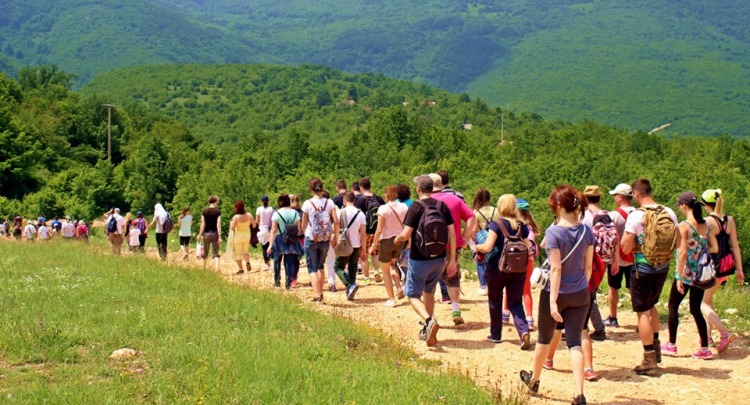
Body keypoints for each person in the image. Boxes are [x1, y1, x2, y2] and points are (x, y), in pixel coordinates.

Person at [519, 185, 594, 405]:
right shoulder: (586, 231)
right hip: (581, 292)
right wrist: (581, 286)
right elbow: (588, 267)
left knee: (544, 337)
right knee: (574, 341)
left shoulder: (555, 232)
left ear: (559, 205)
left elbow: (556, 268)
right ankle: (579, 393)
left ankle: (534, 380)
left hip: (556, 292)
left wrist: (553, 301)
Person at [621, 179, 680, 375]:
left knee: (642, 312)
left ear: (637, 194)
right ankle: (656, 349)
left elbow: (625, 247)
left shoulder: (636, 215)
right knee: (652, 305)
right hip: (662, 268)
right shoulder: (669, 212)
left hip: (642, 269)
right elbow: (678, 241)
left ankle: (649, 359)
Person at [394, 175, 457, 347]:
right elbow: (452, 234)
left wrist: (397, 239)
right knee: (429, 292)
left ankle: (429, 321)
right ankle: (426, 328)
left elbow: (406, 234)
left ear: (418, 190)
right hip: (439, 258)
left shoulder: (416, 207)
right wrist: (452, 259)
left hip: (419, 258)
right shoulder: (442, 206)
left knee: (412, 295)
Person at [661, 192, 717, 360]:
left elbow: (683, 253)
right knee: (695, 309)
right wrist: (699, 250)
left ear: (684, 206)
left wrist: (678, 276)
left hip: (686, 273)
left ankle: (671, 345)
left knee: (673, 306)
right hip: (701, 273)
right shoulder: (706, 225)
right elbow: (714, 248)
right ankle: (705, 348)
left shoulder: (684, 226)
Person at [475, 194, 533, 349]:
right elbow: (529, 247)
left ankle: (496, 335)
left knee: (495, 301)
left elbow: (487, 247)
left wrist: (477, 247)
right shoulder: (521, 226)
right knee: (515, 302)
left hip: (497, 269)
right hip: (518, 269)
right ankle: (523, 331)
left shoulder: (496, 225)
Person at [430, 173, 476, 325]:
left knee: (429, 279)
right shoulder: (455, 199)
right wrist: (466, 236)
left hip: (430, 246)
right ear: (442, 184)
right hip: (453, 244)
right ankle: (455, 309)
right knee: (452, 276)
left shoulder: (425, 201)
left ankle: (431, 317)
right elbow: (471, 216)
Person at [701, 189, 741, 353]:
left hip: (711, 267)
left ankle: (725, 333)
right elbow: (735, 246)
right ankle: (707, 337)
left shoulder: (707, 222)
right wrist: (739, 269)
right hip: (726, 266)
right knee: (708, 300)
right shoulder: (729, 220)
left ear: (705, 205)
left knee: (701, 304)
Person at [301, 178, 339, 303]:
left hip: (311, 238)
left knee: (312, 268)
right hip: (325, 238)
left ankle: (317, 295)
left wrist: (305, 231)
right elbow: (336, 221)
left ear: (311, 189)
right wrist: (335, 236)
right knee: (320, 266)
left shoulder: (307, 203)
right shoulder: (329, 202)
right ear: (322, 188)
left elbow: (304, 224)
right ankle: (321, 293)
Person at [370, 185, 408, 307]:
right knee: (393, 264)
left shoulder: (383, 208)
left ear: (386, 195)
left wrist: (374, 245)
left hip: (387, 240)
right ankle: (399, 287)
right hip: (400, 240)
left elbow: (379, 229)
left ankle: (391, 299)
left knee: (385, 270)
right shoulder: (404, 207)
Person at [603, 183, 635, 328]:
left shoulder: (613, 215)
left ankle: (613, 317)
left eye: (615, 195)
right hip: (635, 258)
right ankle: (641, 317)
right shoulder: (639, 213)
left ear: (621, 197)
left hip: (617, 259)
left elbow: (611, 238)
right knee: (633, 288)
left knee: (613, 287)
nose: (614, 198)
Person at [580, 185, 610, 341]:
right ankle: (594, 327)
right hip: (604, 259)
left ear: (585, 198)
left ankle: (594, 328)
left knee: (587, 293)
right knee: (591, 292)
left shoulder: (585, 216)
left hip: (589, 258)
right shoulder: (605, 214)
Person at [334, 192, 367, 299]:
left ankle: (350, 285)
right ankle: (350, 292)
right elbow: (363, 234)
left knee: (338, 267)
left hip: (344, 244)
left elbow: (335, 228)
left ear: (344, 200)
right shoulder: (361, 214)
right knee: (352, 268)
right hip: (356, 244)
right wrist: (364, 250)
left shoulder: (339, 212)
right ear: (354, 201)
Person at [267, 194, 304, 289]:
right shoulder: (295, 213)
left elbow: (273, 230)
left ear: (279, 202)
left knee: (277, 261)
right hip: (291, 239)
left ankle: (277, 282)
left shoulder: (277, 213)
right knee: (289, 262)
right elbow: (299, 229)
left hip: (279, 239)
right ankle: (288, 282)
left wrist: (270, 244)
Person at [356, 178, 385, 285]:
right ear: (370, 186)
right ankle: (377, 271)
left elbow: (358, 216)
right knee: (375, 253)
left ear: (361, 188)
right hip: (377, 230)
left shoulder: (361, 200)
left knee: (363, 254)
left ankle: (366, 277)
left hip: (365, 231)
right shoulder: (378, 198)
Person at [517, 198, 541, 329]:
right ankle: (530, 318)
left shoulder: (514, 226)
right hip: (529, 261)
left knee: (511, 288)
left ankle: (505, 314)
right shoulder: (531, 228)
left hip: (514, 260)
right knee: (526, 290)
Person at [471, 188, 499, 296]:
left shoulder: (476, 212)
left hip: (482, 239)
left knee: (480, 261)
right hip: (495, 238)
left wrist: (474, 240)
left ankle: (483, 286)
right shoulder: (496, 210)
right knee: (494, 261)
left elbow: (474, 229)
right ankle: (494, 284)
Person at [197, 195, 222, 272]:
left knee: (205, 251)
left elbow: (203, 224)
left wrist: (199, 234)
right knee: (215, 251)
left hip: (206, 233)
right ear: (215, 201)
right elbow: (218, 224)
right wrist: (220, 236)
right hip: (215, 233)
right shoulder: (218, 212)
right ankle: (217, 268)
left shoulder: (204, 211)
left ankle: (204, 268)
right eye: (217, 201)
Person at [230, 200, 255, 274]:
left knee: (237, 253)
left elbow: (232, 228)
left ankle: (241, 269)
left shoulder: (236, 217)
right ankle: (247, 262)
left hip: (238, 236)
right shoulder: (249, 215)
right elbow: (254, 225)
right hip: (247, 235)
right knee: (245, 251)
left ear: (236, 208)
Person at [256, 195, 274, 271]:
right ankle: (270, 260)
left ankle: (267, 263)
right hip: (270, 229)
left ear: (261, 201)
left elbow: (257, 220)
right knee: (270, 245)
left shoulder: (259, 209)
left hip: (262, 229)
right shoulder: (271, 209)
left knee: (264, 247)